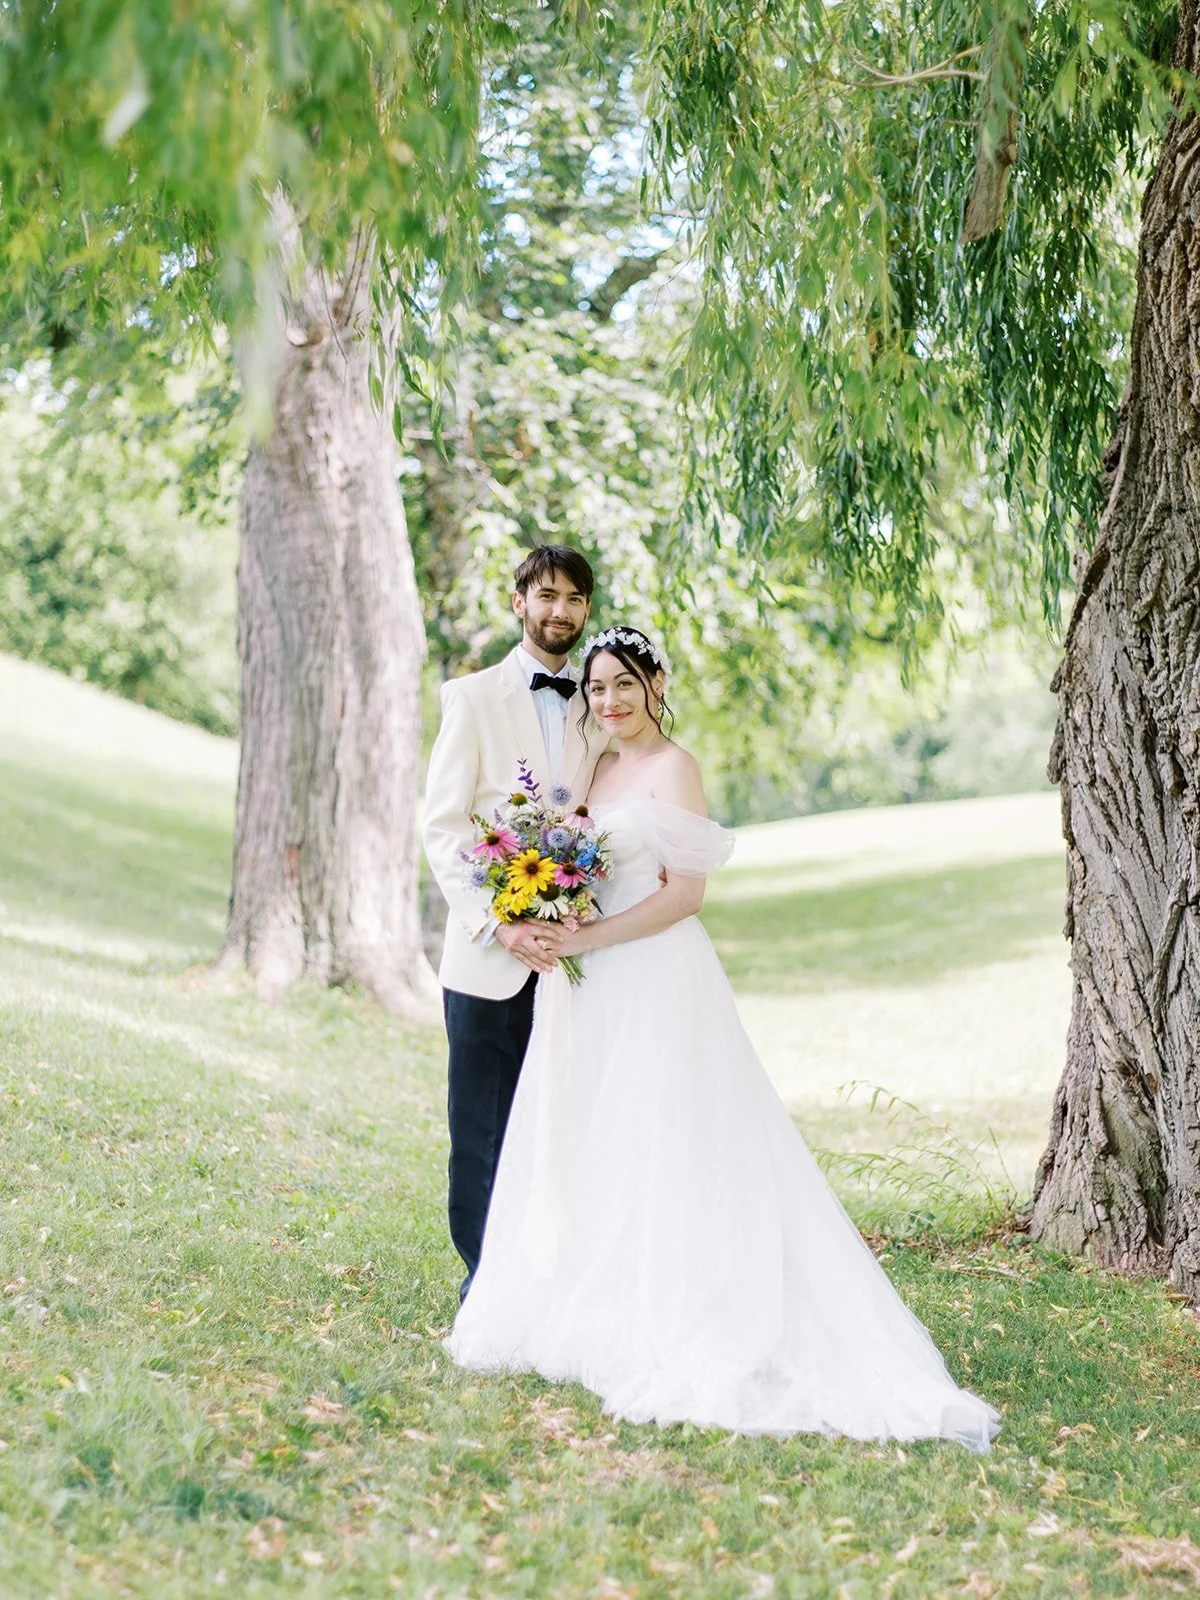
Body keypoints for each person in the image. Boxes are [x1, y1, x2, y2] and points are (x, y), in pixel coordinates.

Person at [445, 626, 1000, 1448]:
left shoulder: (676, 769)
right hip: (593, 991)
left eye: (624, 684)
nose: (609, 701)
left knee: (670, 1132)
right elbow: (578, 861)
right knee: (600, 1133)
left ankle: (687, 1302)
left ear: (656, 682)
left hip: (657, 975)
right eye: (597, 688)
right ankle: (599, 1293)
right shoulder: (595, 767)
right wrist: (551, 907)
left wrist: (586, 940)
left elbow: (685, 895)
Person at [423, 545, 608, 1304]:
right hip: (489, 959)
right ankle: (485, 1284)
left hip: (577, 958)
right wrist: (499, 925)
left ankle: (559, 1277)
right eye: (547, 596)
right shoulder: (470, 698)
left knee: (567, 1122)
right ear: (519, 602)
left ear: (586, 611)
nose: (560, 611)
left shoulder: (604, 703)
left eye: (574, 599)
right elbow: (443, 828)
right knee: (483, 1132)